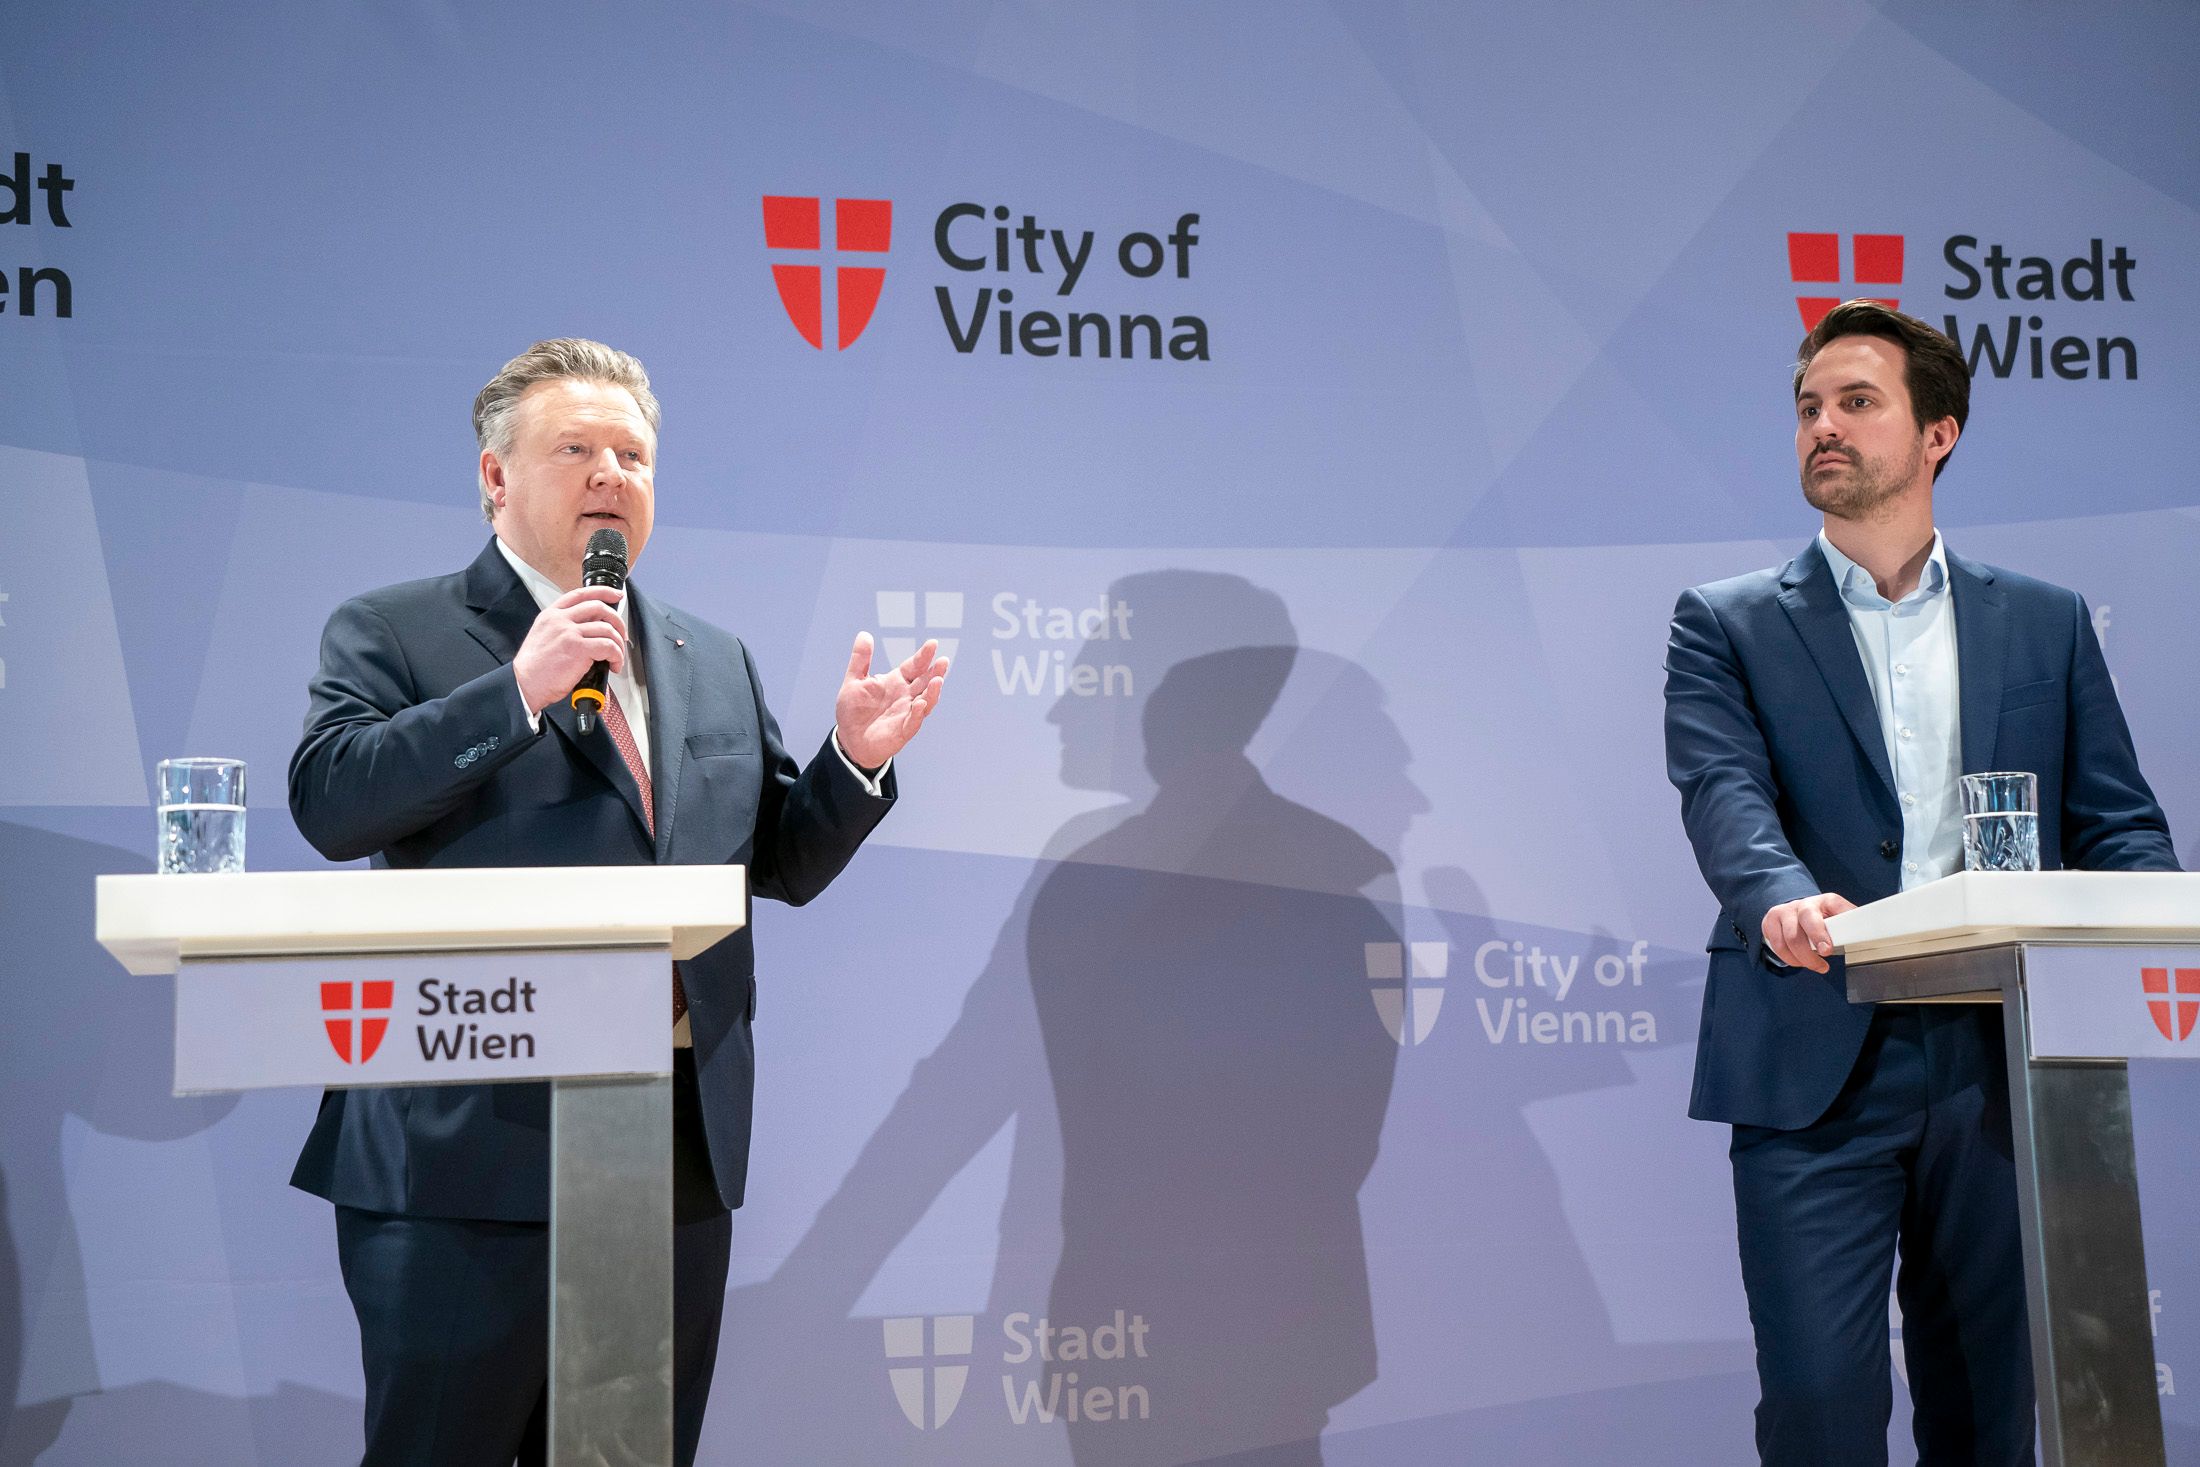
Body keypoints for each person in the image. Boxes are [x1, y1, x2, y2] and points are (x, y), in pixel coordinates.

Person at [286, 338, 948, 1466]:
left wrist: (851, 762)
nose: (610, 474)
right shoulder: (396, 627)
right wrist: (519, 690)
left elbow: (772, 862)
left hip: (664, 1151)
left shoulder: (706, 654)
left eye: (632, 455)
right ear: (496, 477)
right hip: (464, 1155)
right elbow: (332, 802)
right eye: (576, 449)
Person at [1663, 300, 2177, 1465]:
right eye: (1807, 409)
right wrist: (1776, 898)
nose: (1821, 429)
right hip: (1814, 1047)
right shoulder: (1727, 623)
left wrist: (2155, 926)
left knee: (1986, 1410)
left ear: (1936, 433)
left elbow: (2118, 822)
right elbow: (1722, 794)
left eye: (1856, 403)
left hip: (2006, 1061)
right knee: (1818, 1408)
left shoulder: (2041, 622)